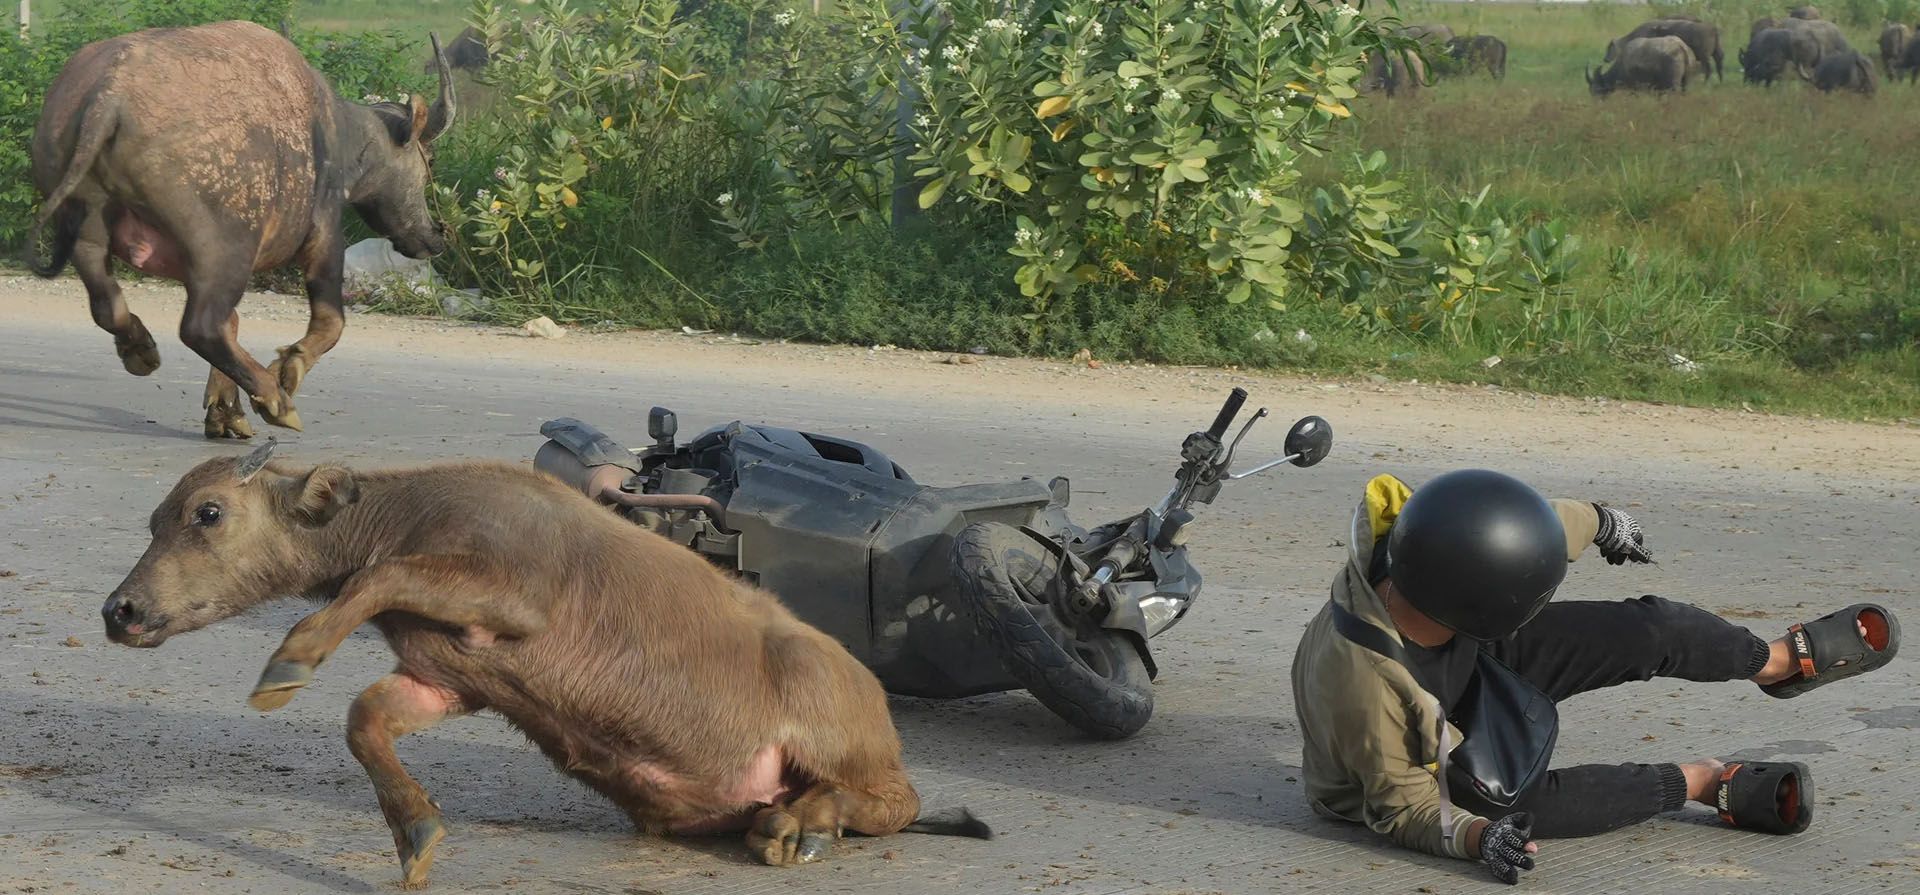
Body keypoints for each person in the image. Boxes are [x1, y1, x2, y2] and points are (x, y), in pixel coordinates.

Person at [1291, 469, 1900, 885]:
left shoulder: (1426, 541)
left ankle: (1775, 664)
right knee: (1512, 806)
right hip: (1414, 758)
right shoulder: (1367, 690)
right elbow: (1404, 809)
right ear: (1486, 605)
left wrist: (1601, 519)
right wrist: (1479, 840)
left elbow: (1519, 528)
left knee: (1649, 630)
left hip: (1464, 647)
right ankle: (1701, 781)